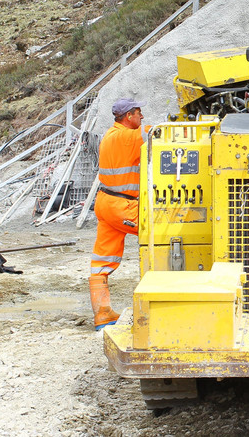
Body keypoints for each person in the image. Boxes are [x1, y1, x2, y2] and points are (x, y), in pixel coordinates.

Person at [89, 97, 146, 330]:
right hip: (122, 206)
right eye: (139, 113)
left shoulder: (109, 135)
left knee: (101, 261)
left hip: (105, 202)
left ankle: (103, 315)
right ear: (128, 116)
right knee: (161, 236)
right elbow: (159, 133)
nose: (142, 117)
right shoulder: (127, 137)